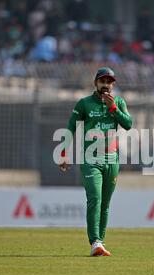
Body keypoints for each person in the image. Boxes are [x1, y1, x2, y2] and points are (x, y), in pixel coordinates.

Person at [58, 67, 133, 256]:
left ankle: (101, 242)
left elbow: (128, 124)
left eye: (109, 82)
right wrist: (63, 152)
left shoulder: (119, 102)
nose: (106, 85)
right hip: (90, 158)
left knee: (105, 204)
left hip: (112, 159)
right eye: (102, 81)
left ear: (113, 84)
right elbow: (70, 127)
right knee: (95, 199)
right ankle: (95, 243)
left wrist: (113, 109)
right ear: (96, 83)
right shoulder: (84, 104)